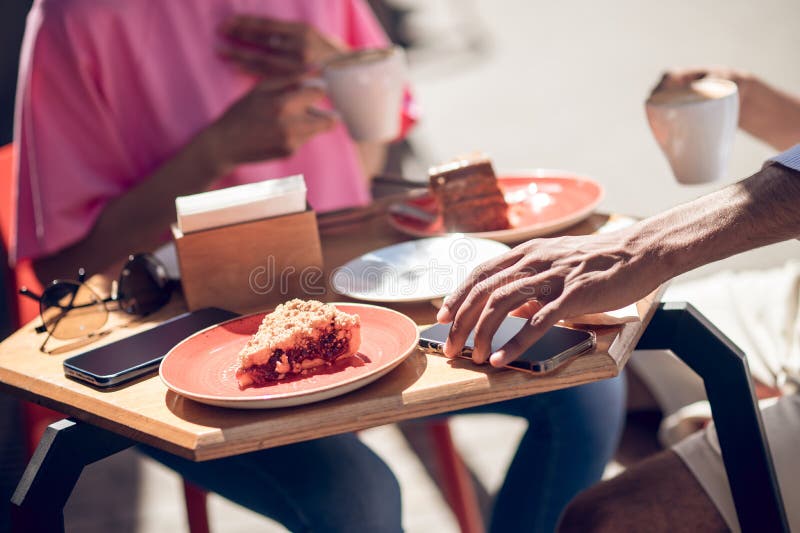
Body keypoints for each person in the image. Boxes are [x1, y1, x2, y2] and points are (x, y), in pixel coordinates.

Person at [12, 1, 625, 531]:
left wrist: (349, 80)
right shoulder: (76, 16)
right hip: (194, 337)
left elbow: (373, 147)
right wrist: (217, 150)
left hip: (369, 296)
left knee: (582, 388)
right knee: (358, 498)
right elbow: (68, 264)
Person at [436, 67, 800, 532]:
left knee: (604, 520)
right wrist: (747, 100)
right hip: (790, 301)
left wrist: (639, 249)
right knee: (582, 359)